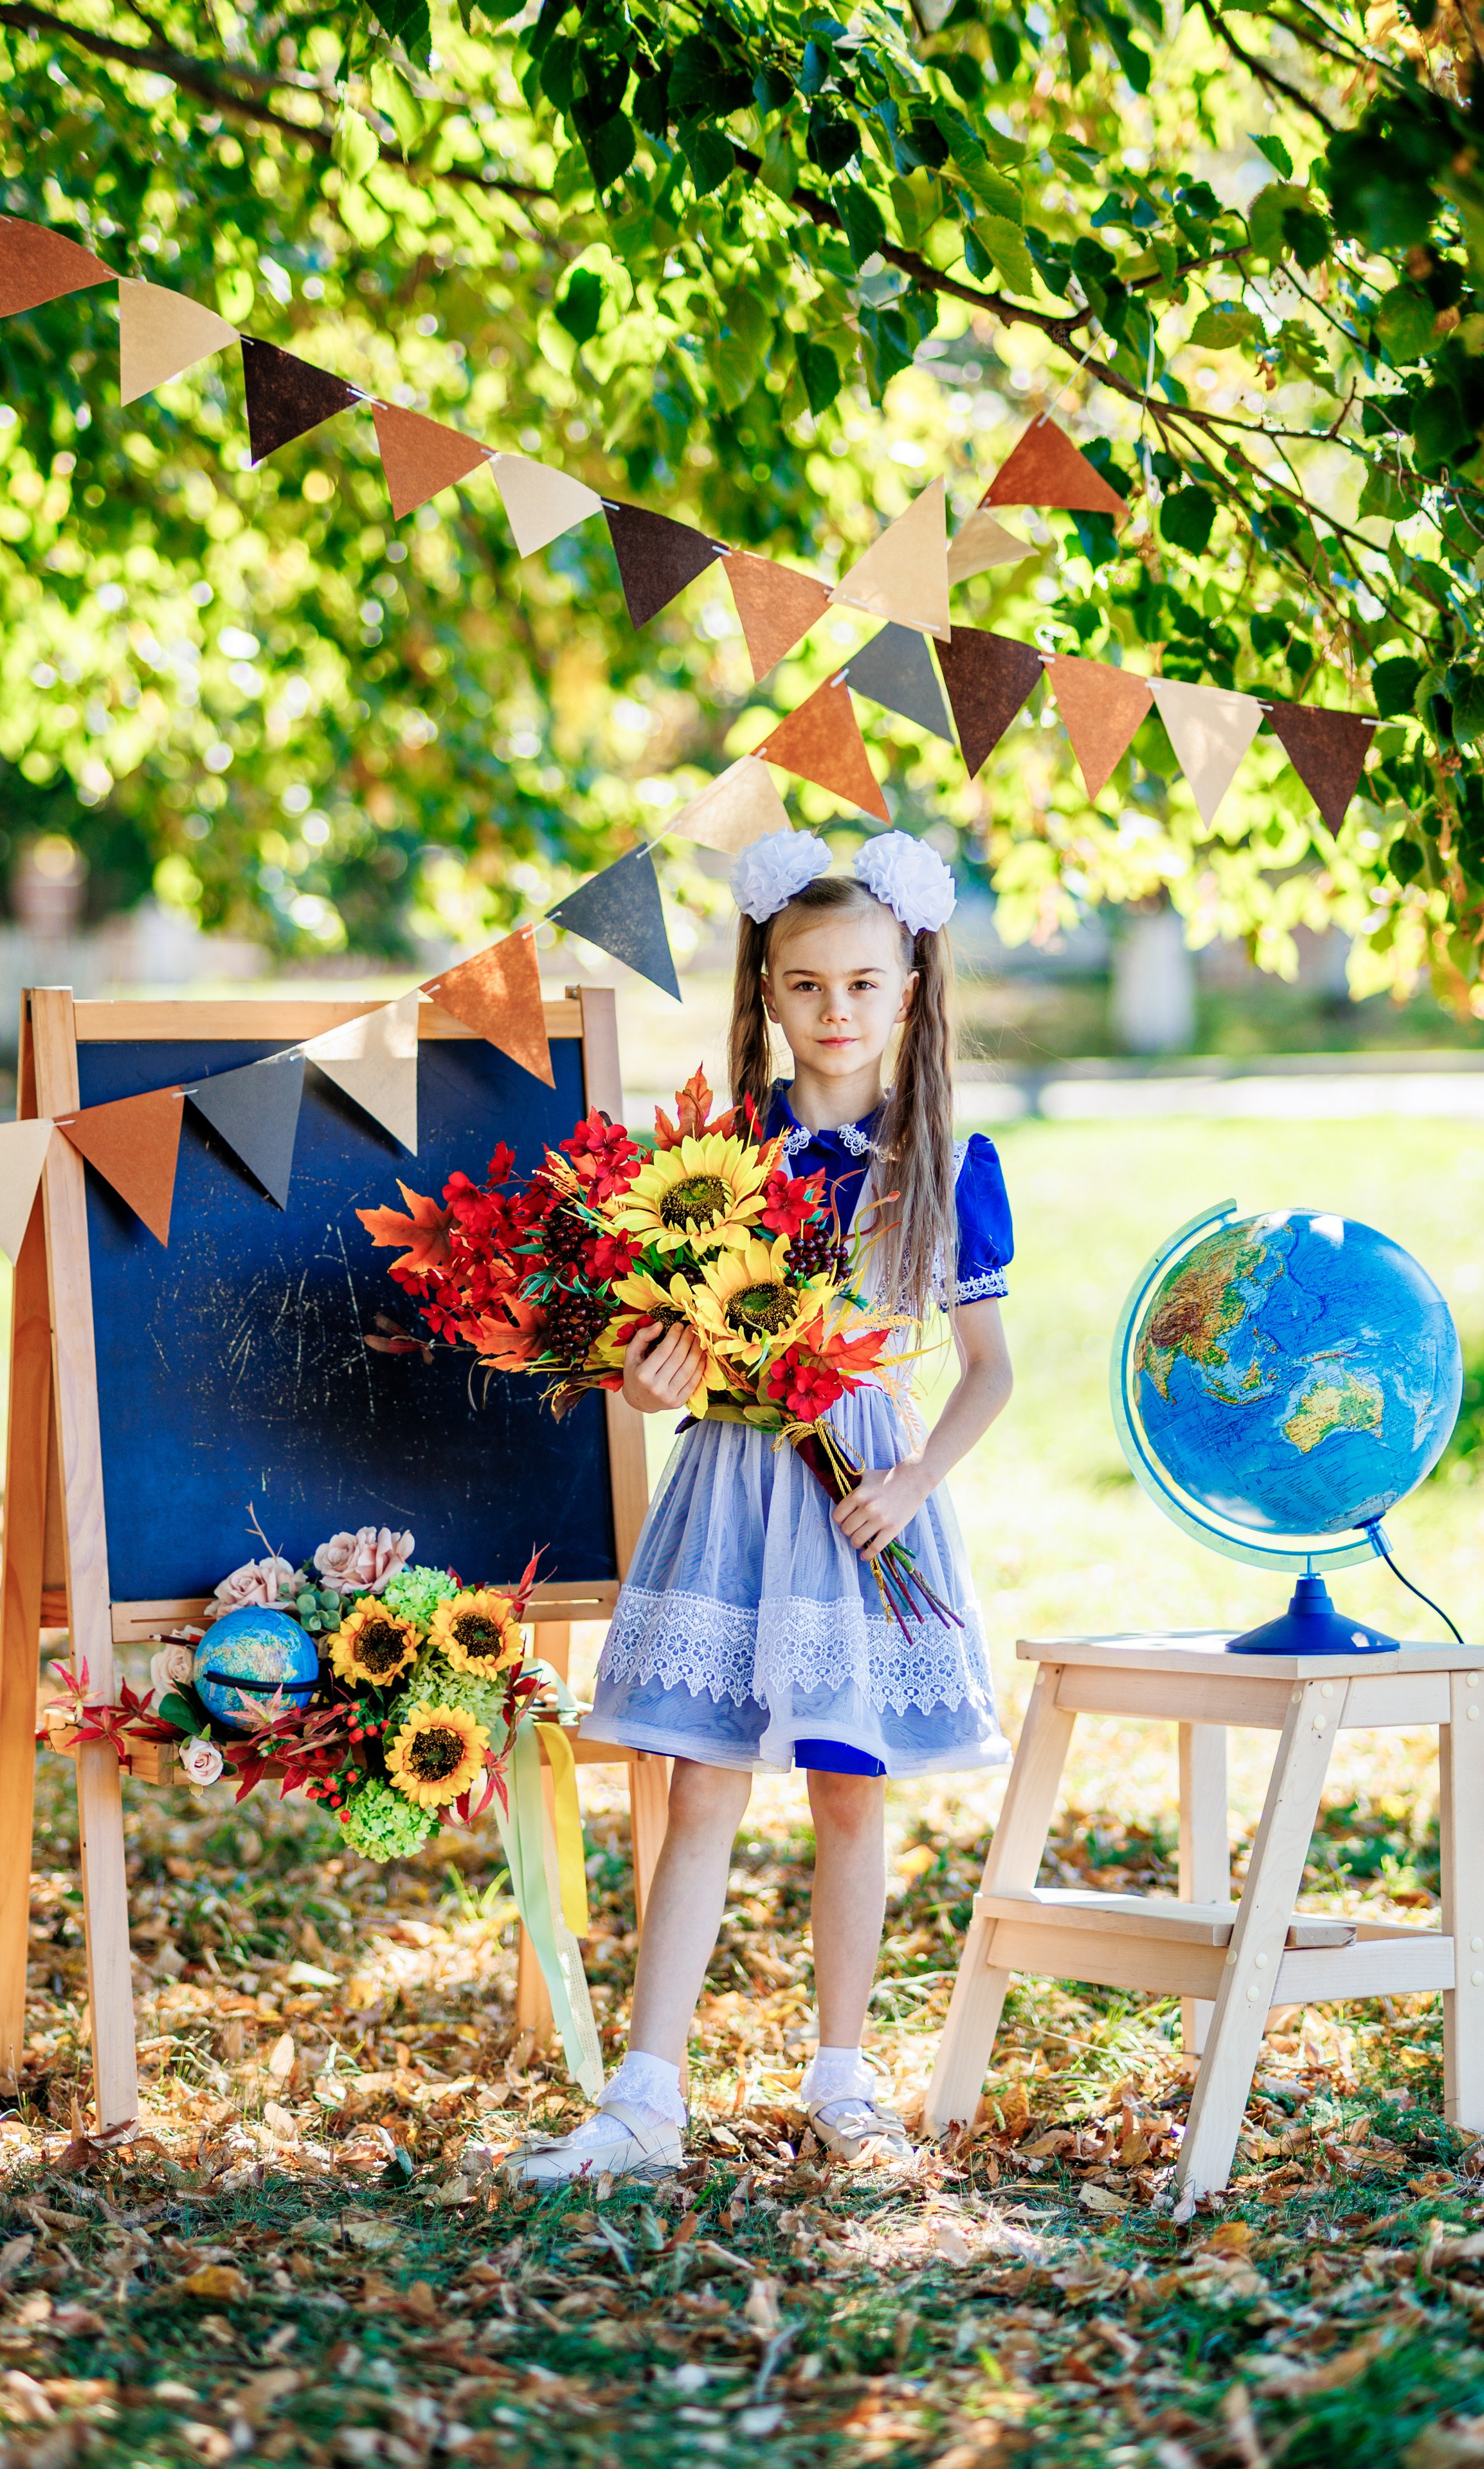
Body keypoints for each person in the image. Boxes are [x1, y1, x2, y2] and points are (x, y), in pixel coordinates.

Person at [508, 828, 1015, 2185]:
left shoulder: (941, 1161)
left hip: (861, 1497)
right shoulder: (713, 1155)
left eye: (860, 983)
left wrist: (908, 1484)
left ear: (907, 990)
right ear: (766, 995)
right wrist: (647, 1372)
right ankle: (645, 2094)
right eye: (804, 986)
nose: (834, 1011)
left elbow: (988, 1372)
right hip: (736, 1483)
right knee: (701, 1780)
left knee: (849, 1789)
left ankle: (841, 2076)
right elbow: (649, 1369)